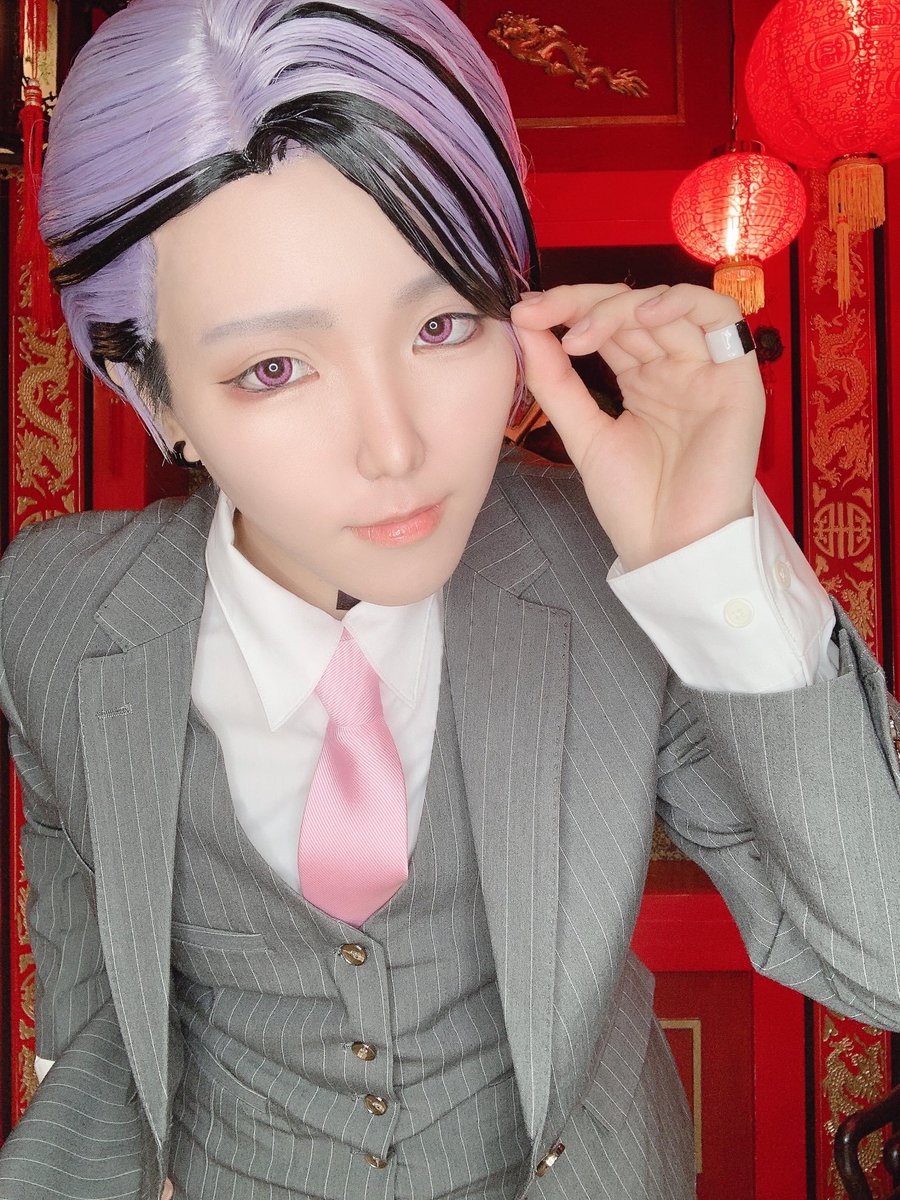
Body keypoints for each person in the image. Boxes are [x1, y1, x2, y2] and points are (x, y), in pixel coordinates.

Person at [1, 2, 899, 1198]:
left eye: (440, 325)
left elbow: (882, 955)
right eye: (274, 367)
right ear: (154, 393)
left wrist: (708, 556)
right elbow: (71, 862)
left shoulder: (607, 578)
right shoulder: (55, 605)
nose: (395, 449)